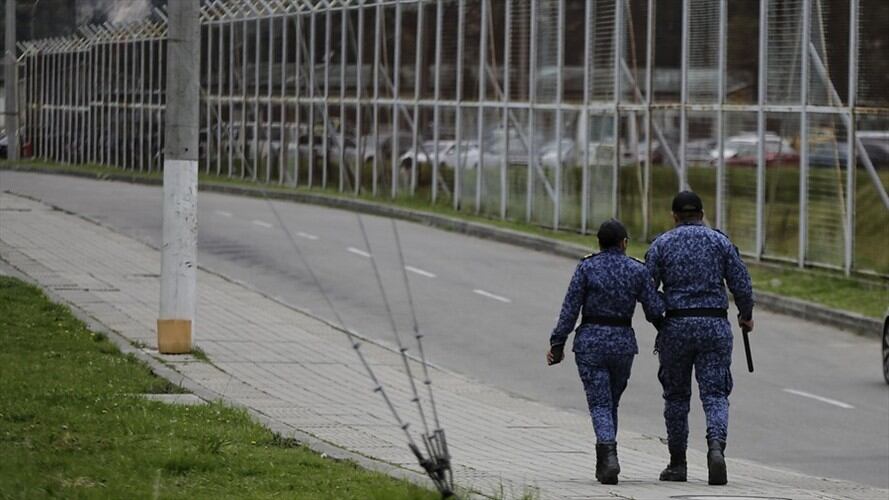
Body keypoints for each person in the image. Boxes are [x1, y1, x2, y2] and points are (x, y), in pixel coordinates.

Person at [644, 191, 754, 486]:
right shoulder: (720, 242)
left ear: (674, 216)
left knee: (676, 397)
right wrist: (746, 314)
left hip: (676, 326)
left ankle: (677, 463)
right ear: (702, 214)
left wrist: (659, 319)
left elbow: (646, 288)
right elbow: (741, 283)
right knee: (715, 394)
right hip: (714, 325)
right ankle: (716, 447)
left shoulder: (661, 244)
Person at [547, 219, 665, 485]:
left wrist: (557, 343)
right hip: (623, 345)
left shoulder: (587, 267)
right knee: (611, 402)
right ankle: (606, 459)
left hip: (590, 343)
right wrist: (665, 327)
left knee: (600, 404)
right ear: (624, 243)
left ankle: (608, 457)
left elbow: (570, 309)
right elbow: (654, 311)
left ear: (599, 243)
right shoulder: (637, 270)